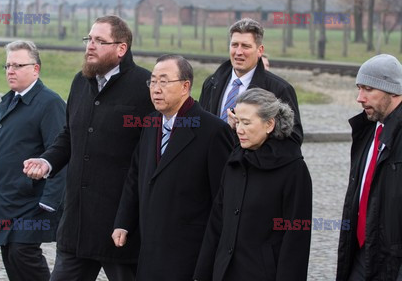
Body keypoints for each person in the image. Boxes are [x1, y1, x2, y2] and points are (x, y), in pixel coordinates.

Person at [23, 15, 154, 281]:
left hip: (120, 227)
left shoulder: (146, 87)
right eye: (89, 39)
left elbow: (151, 155)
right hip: (77, 225)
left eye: (99, 41)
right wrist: (47, 162)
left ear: (121, 48)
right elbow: (69, 135)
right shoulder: (80, 81)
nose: (90, 46)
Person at [111, 54, 234, 280]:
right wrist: (123, 222)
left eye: (164, 81)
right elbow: (135, 176)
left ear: (185, 86)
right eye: (153, 81)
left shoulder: (212, 131)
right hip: (150, 248)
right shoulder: (151, 123)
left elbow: (223, 197)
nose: (156, 88)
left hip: (190, 253)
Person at [0, 40, 67, 281]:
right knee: (10, 255)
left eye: (18, 65)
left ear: (36, 69)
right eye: (8, 65)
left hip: (33, 201)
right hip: (6, 198)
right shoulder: (7, 101)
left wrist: (51, 201)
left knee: (23, 253)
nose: (11, 70)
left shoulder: (50, 103)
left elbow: (62, 153)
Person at [194, 88, 312, 281]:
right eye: (237, 121)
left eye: (247, 123)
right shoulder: (235, 160)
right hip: (224, 273)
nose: (239, 129)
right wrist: (203, 273)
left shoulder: (293, 170)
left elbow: (296, 239)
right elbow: (217, 221)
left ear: (269, 124)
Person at [337, 54, 402, 280]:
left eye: (368, 89)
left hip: (391, 264)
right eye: (358, 88)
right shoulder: (367, 130)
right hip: (361, 255)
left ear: (393, 91)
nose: (359, 98)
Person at [199, 17, 303, 145]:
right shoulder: (211, 82)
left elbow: (292, 140)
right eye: (234, 45)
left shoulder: (280, 89)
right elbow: (202, 127)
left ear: (260, 50)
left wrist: (242, 130)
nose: (238, 52)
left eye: (246, 46)